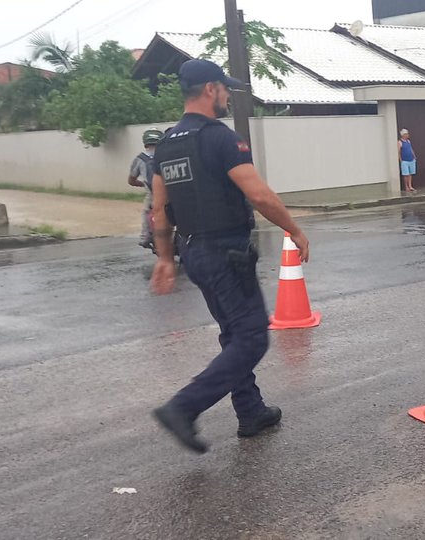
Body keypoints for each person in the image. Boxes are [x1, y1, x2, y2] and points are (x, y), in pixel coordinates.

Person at [148, 58, 312, 454]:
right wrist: (295, 230)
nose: (225, 96)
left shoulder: (166, 144)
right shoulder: (220, 138)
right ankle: (183, 408)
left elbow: (158, 210)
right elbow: (257, 194)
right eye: (223, 89)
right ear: (210, 90)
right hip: (226, 252)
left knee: (233, 333)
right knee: (253, 338)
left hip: (194, 253)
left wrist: (166, 258)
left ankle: (251, 411)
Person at [128, 128, 163, 250]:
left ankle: (145, 237)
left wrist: (142, 184)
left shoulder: (140, 159)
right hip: (170, 191)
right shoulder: (166, 154)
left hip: (152, 194)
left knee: (147, 212)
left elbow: (131, 180)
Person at [398, 128, 417, 193]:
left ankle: (410, 186)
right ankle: (406, 186)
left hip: (411, 159)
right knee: (406, 174)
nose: (407, 135)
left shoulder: (408, 141)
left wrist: (414, 156)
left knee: (410, 174)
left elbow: (411, 149)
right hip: (404, 160)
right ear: (403, 135)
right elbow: (399, 151)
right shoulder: (400, 142)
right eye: (406, 134)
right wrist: (400, 160)